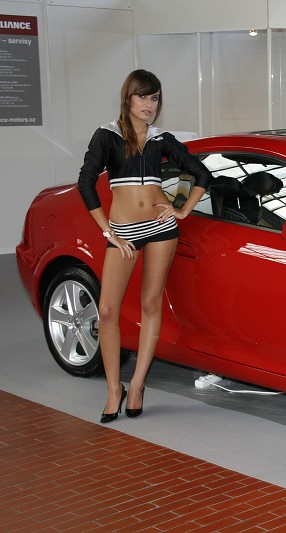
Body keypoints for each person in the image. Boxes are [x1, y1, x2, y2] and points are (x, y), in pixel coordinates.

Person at [77, 69, 213, 423]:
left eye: (154, 98)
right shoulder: (107, 135)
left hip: (161, 227)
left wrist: (182, 209)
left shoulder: (161, 138)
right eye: (143, 96)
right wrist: (108, 232)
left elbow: (202, 174)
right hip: (123, 231)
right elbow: (85, 183)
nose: (149, 104)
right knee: (107, 309)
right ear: (128, 97)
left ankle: (137, 385)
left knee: (151, 303)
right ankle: (114, 390)